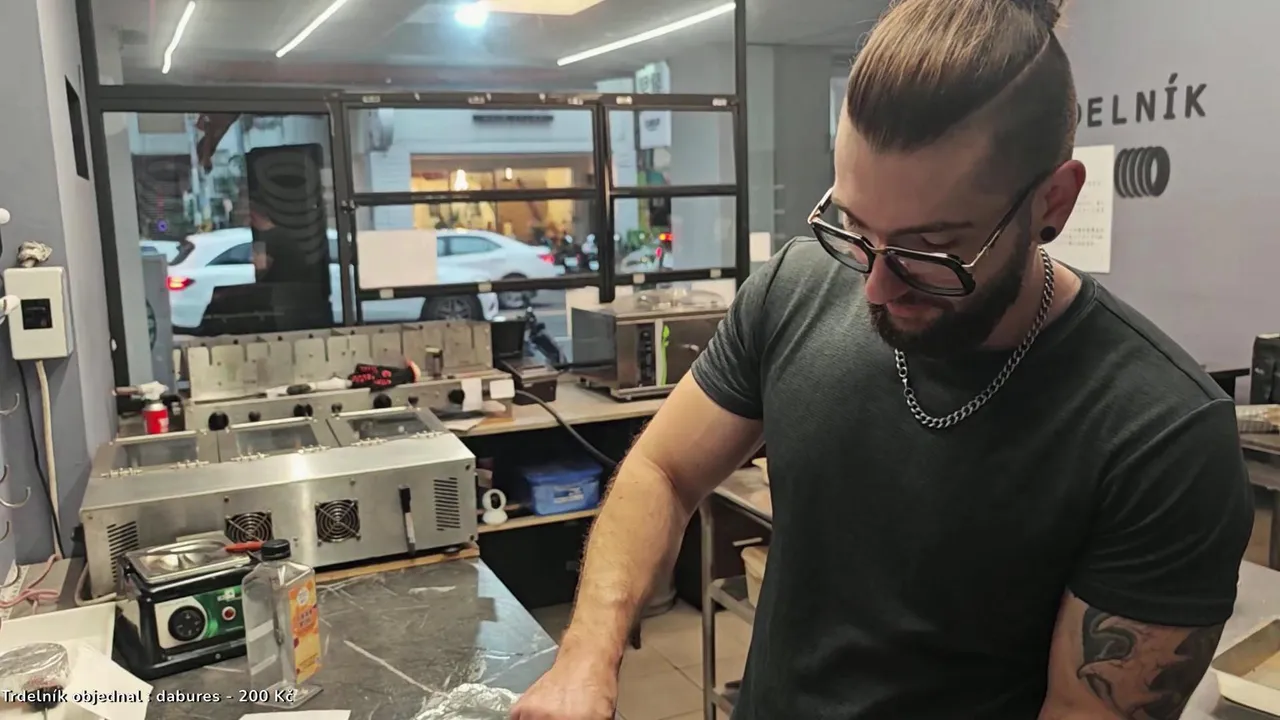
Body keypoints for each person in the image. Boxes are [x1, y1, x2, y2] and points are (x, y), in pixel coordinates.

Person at [510, 0, 1253, 718]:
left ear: (1053, 203)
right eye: (856, 227)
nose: (874, 285)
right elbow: (663, 471)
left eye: (931, 249)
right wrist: (585, 658)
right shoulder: (795, 289)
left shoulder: (1161, 436)